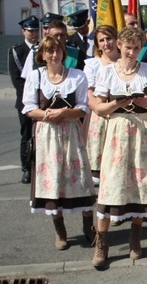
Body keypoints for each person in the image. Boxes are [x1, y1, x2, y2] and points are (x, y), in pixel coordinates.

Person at [90, 27, 147, 268]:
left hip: (142, 131)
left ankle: (135, 237)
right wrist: (116, 103)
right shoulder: (108, 72)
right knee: (111, 185)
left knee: (139, 183)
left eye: (136, 47)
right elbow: (98, 108)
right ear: (119, 45)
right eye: (128, 47)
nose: (132, 52)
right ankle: (102, 243)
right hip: (117, 131)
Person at [21, 36, 96, 250]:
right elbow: (28, 108)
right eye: (50, 51)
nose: (54, 55)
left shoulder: (77, 76)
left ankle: (88, 226)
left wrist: (64, 112)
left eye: (58, 51)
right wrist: (47, 115)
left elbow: (84, 107)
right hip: (47, 135)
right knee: (52, 179)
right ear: (42, 55)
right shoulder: (36, 77)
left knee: (80, 178)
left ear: (64, 53)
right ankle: (60, 230)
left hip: (72, 132)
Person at [83, 25, 119, 183]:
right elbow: (88, 92)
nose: (106, 43)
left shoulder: (127, 61)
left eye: (109, 38)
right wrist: (100, 109)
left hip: (121, 115)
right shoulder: (92, 65)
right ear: (97, 45)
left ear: (116, 40)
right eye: (102, 40)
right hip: (100, 116)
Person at [7, 15, 40, 183]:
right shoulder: (17, 50)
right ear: (23, 31)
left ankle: (41, 167)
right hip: (25, 101)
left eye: (36, 30)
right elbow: (17, 81)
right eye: (30, 30)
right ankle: (27, 168)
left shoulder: (43, 48)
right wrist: (31, 97)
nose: (34, 33)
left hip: (43, 100)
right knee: (26, 134)